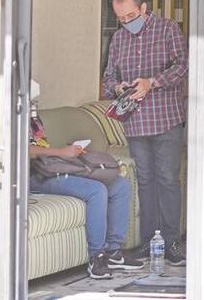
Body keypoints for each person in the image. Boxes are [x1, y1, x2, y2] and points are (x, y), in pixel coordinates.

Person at [102, 0, 188, 267]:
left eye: (130, 15)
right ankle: (148, 241)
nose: (127, 21)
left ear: (143, 8)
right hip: (136, 121)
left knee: (167, 179)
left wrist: (153, 82)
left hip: (166, 118)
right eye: (121, 18)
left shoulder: (167, 29)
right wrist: (119, 86)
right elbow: (108, 78)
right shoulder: (118, 39)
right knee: (146, 181)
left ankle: (172, 242)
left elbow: (183, 66)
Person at [28, 82, 141, 279]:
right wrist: (61, 152)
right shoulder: (5, 117)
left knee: (120, 185)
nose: (33, 103)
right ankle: (96, 257)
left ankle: (113, 252)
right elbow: (24, 150)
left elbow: (41, 147)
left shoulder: (32, 118)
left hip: (51, 167)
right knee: (96, 191)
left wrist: (69, 153)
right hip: (33, 177)